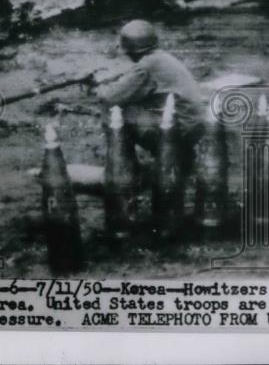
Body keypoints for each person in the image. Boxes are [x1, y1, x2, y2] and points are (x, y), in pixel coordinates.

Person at [93, 20, 226, 229]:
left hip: (178, 128)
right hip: (192, 125)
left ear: (130, 48)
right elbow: (137, 80)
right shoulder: (159, 58)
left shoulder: (147, 66)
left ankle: (126, 174)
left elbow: (112, 97)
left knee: (114, 113)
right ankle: (175, 161)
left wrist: (98, 84)